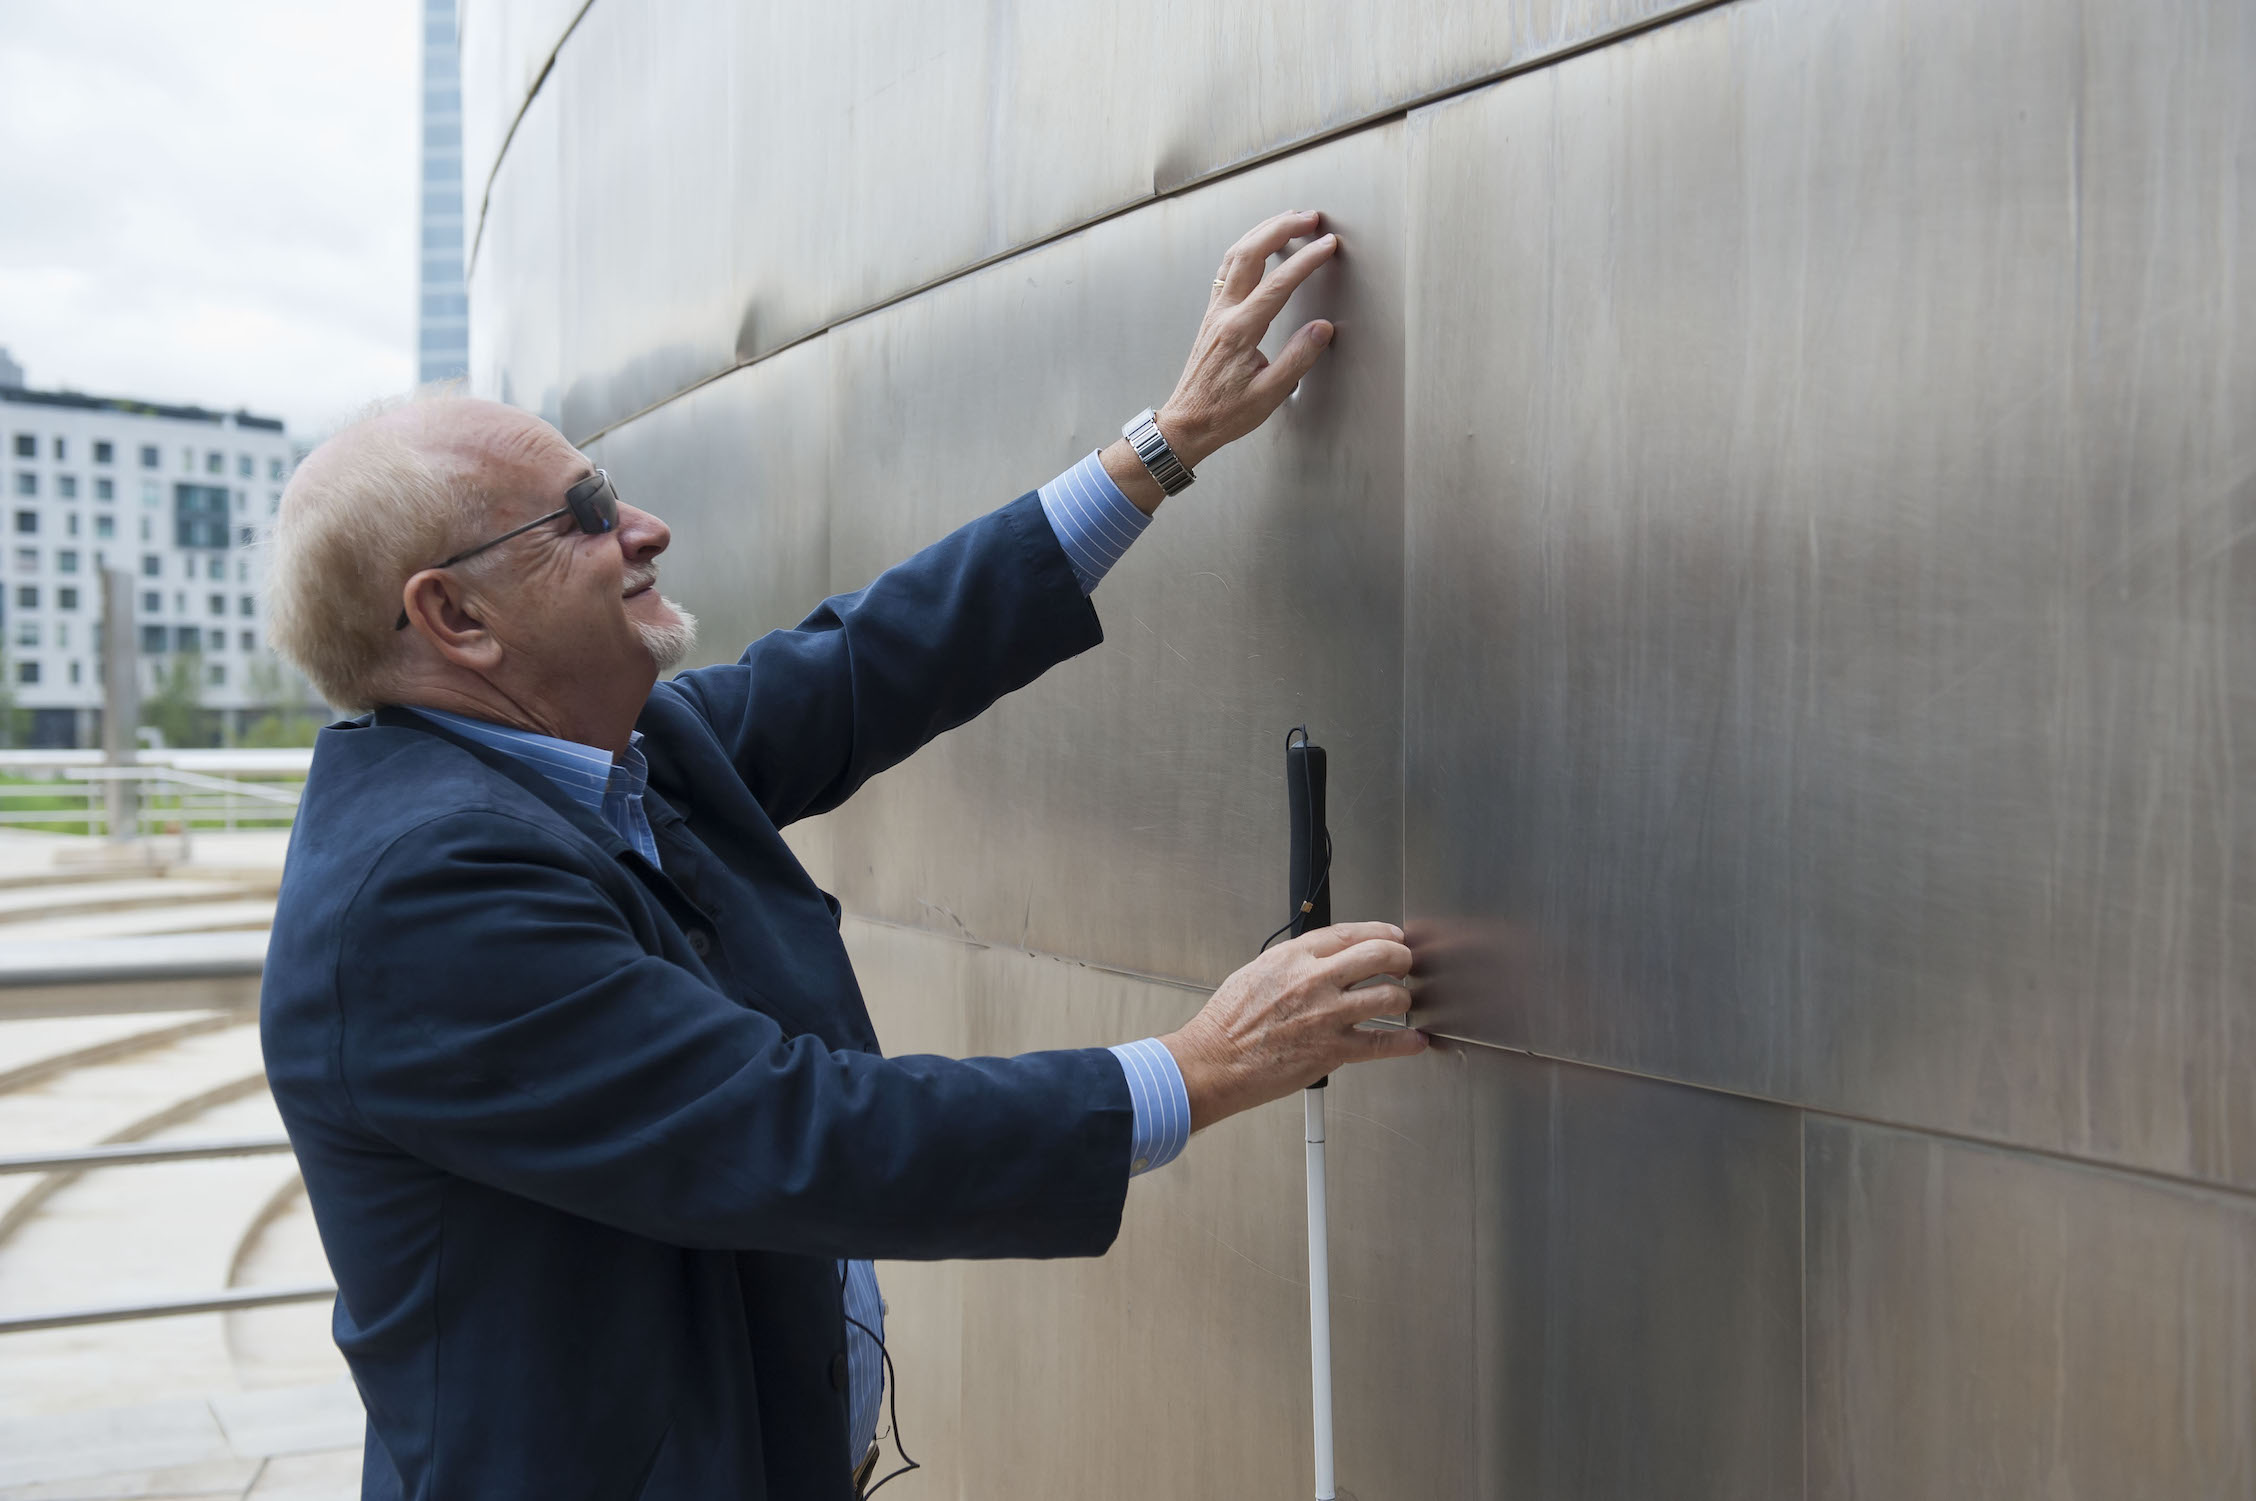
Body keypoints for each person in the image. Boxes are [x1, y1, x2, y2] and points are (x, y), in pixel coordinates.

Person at [260, 210, 1426, 1501]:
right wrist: (1201, 1068)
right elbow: (794, 1133)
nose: (645, 525)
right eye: (584, 513)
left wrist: (1165, 445)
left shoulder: (617, 752)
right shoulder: (425, 898)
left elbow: (873, 660)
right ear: (456, 615)